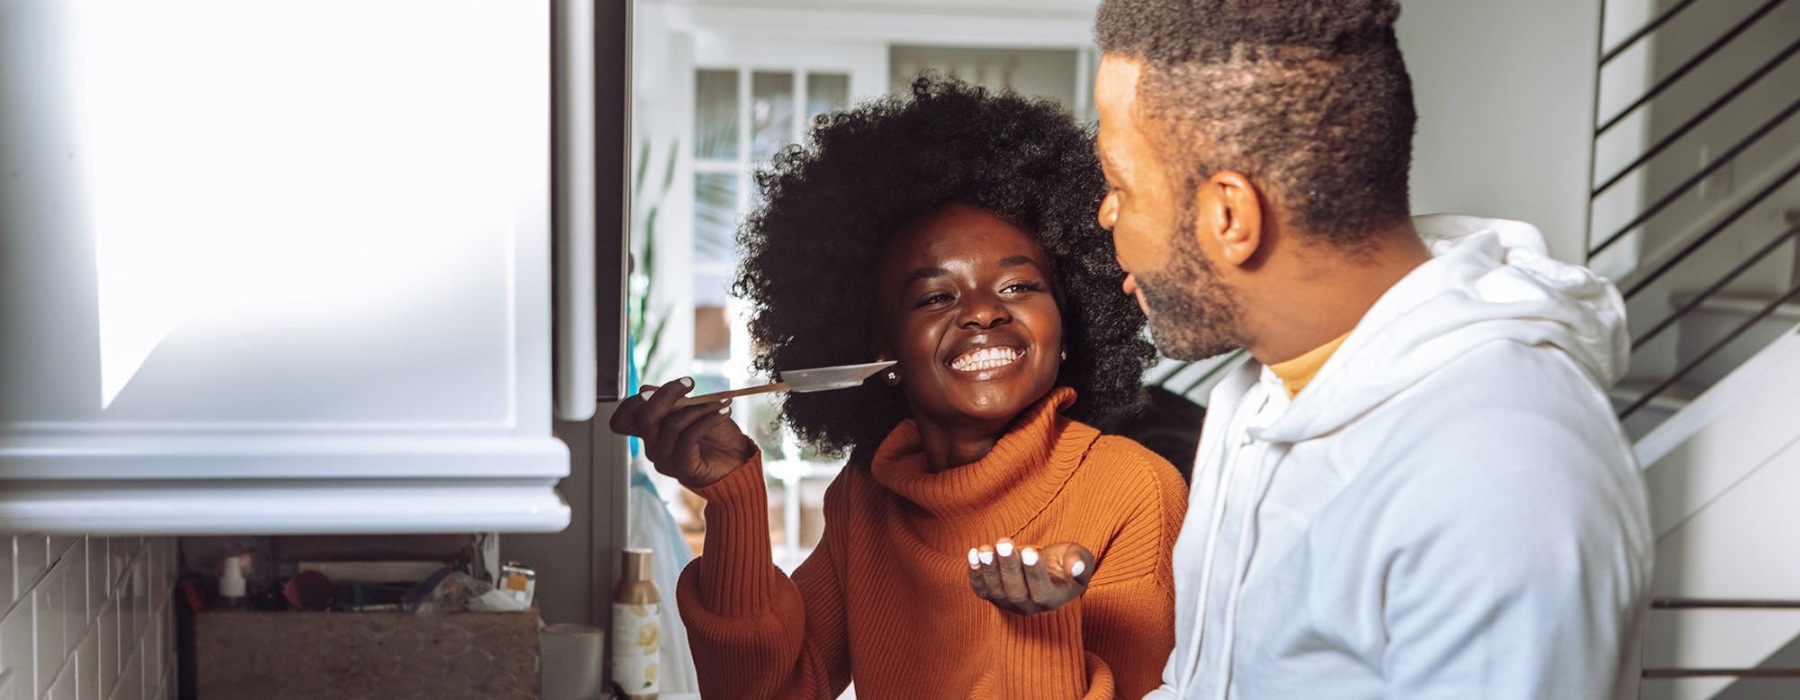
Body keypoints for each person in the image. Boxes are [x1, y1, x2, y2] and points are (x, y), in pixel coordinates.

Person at [1087, 1, 1655, 698]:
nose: (1106, 215)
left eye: (1120, 185)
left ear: (1228, 216)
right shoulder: (1261, 394)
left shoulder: (1499, 471)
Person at [610, 76, 1188, 700]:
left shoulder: (1135, 491)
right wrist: (734, 499)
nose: (983, 312)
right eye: (937, 296)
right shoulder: (867, 494)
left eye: (1020, 287)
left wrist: (1038, 627)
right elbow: (772, 692)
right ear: (881, 348)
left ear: (1068, 325)